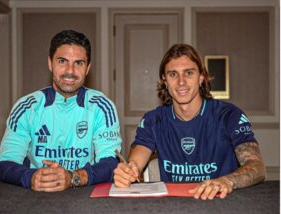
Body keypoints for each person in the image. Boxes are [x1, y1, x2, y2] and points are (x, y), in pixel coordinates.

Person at [113, 43, 266, 200]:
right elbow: (135, 163)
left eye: (189, 73)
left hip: (222, 202)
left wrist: (227, 181)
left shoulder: (229, 115)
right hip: (174, 206)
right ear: (165, 81)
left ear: (201, 77)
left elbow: (257, 167)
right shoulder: (153, 120)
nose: (181, 82)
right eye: (173, 74)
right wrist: (128, 172)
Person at [0, 30, 122, 192]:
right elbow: (5, 164)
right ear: (50, 63)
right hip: (34, 194)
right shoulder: (27, 107)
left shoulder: (102, 107)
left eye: (78, 63)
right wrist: (31, 177)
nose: (70, 71)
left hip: (84, 194)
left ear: (88, 68)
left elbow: (111, 162)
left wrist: (73, 177)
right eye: (62, 61)